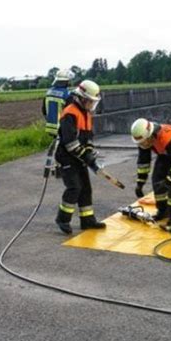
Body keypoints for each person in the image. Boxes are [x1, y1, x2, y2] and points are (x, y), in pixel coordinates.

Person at [54, 80, 106, 234]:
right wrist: (86, 156)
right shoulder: (69, 113)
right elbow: (70, 142)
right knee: (74, 187)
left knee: (86, 188)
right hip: (67, 157)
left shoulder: (86, 113)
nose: (92, 105)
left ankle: (87, 221)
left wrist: (89, 151)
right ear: (82, 98)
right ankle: (62, 219)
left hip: (79, 157)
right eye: (91, 101)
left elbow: (88, 136)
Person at [131, 118, 171, 226]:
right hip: (165, 150)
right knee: (157, 178)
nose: (143, 146)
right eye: (141, 143)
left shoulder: (167, 136)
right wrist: (140, 183)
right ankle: (163, 211)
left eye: (144, 142)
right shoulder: (144, 140)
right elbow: (143, 163)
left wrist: (170, 180)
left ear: (150, 135)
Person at [42, 69, 74, 136]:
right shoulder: (67, 95)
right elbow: (70, 114)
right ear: (66, 82)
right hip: (63, 128)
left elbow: (44, 111)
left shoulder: (48, 92)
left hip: (50, 128)